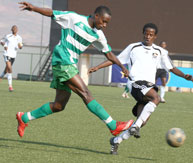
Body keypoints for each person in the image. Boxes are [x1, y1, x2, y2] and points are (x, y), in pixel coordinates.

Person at [16, 2, 134, 138]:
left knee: (59, 105)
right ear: (96, 16)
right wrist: (34, 8)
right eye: (103, 21)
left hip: (69, 64)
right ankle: (113, 126)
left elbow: (109, 54)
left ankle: (24, 118)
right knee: (86, 94)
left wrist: (123, 67)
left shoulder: (98, 35)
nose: (104, 25)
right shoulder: (74, 18)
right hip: (62, 60)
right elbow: (52, 13)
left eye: (107, 23)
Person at [88, 23, 193, 154]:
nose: (148, 36)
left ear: (155, 36)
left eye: (151, 35)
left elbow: (171, 68)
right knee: (156, 98)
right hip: (135, 82)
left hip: (148, 86)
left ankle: (116, 141)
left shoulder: (160, 51)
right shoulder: (133, 47)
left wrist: (184, 76)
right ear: (143, 33)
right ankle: (135, 127)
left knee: (141, 121)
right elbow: (115, 59)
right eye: (146, 34)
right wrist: (98, 67)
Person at [0, 25, 23, 91]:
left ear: (17, 30)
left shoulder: (19, 38)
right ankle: (10, 86)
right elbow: (1, 41)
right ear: (11, 29)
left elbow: (20, 46)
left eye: (15, 28)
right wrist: (4, 45)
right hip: (7, 54)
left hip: (13, 55)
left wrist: (20, 46)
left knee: (7, 69)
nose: (14, 29)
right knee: (9, 68)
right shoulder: (8, 36)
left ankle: (1, 76)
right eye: (13, 28)